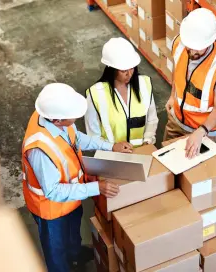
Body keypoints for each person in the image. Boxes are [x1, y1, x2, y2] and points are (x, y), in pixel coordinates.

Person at [21, 83, 129, 272]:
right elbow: (54, 191)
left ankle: (75, 255)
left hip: (72, 197)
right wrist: (97, 188)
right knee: (56, 250)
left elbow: (76, 138)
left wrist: (109, 146)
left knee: (73, 235)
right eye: (73, 116)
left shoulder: (53, 117)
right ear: (57, 121)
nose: (76, 118)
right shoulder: (40, 150)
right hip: (51, 210)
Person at [164, 8, 216, 158]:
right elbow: (177, 71)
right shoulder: (179, 43)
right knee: (167, 166)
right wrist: (173, 96)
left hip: (205, 131)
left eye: (197, 47)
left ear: (210, 41)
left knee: (193, 175)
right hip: (176, 119)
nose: (191, 50)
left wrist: (201, 132)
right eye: (189, 45)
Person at [85, 37, 159, 146]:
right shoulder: (95, 94)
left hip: (142, 152)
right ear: (112, 69)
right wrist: (112, 147)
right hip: (113, 158)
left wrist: (147, 140)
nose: (129, 74)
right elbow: (93, 136)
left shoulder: (144, 84)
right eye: (124, 70)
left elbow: (152, 119)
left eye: (132, 68)